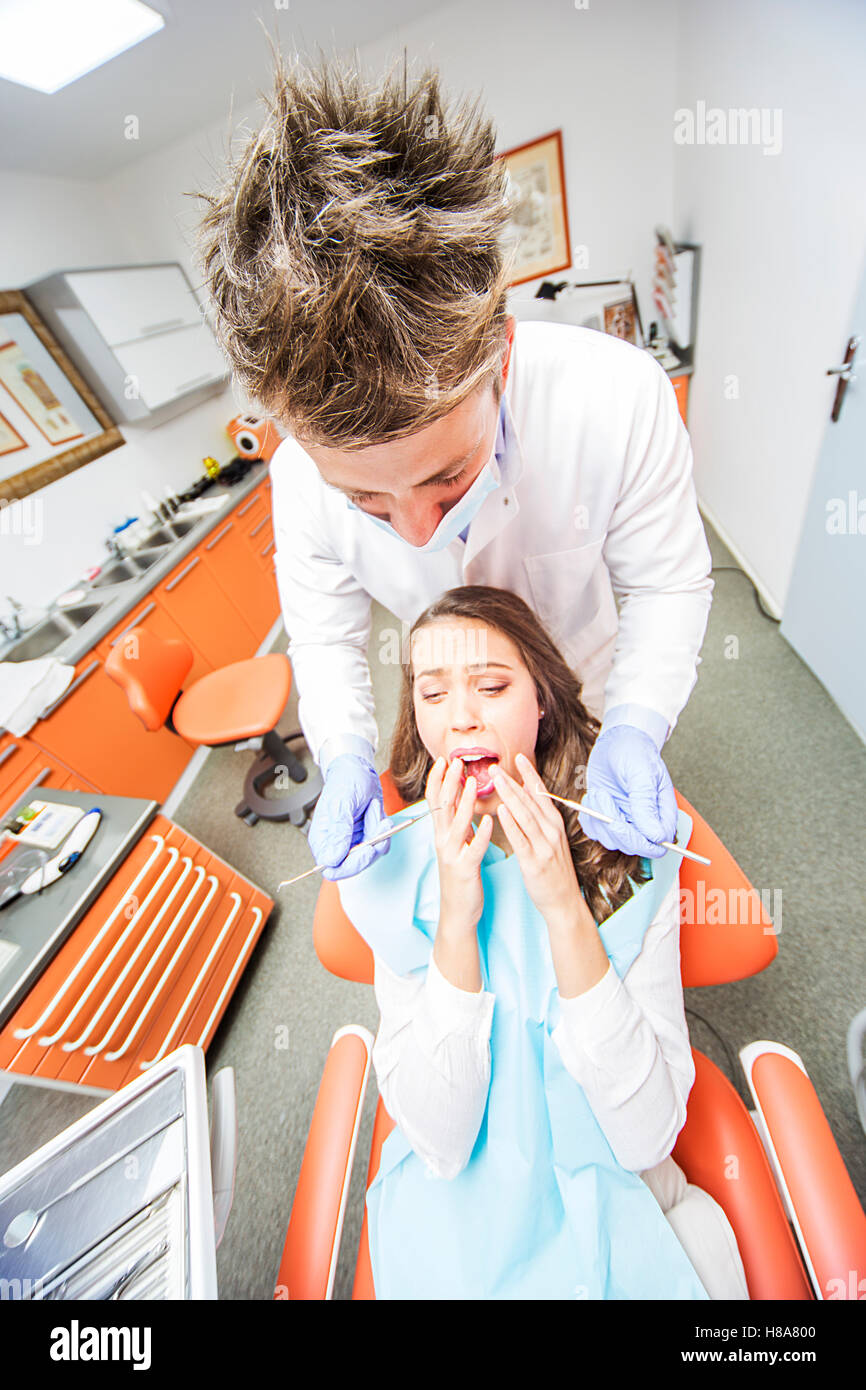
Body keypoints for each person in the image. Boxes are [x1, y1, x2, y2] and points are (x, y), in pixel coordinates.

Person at [195, 54, 713, 880]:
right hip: (452, 692)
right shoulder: (297, 480)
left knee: (600, 866)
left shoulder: (616, 396)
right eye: (364, 498)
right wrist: (345, 755)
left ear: (499, 357)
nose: (416, 534)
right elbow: (327, 638)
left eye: (448, 478)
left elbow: (668, 584)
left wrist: (637, 725)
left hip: (591, 678)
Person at [336, 586, 749, 1300]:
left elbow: (646, 1137)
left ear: (542, 700)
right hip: (463, 1230)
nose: (461, 717)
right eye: (431, 695)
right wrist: (457, 925)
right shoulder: (394, 876)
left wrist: (563, 908)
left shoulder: (624, 853)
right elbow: (441, 1141)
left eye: (491, 686)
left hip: (612, 1200)